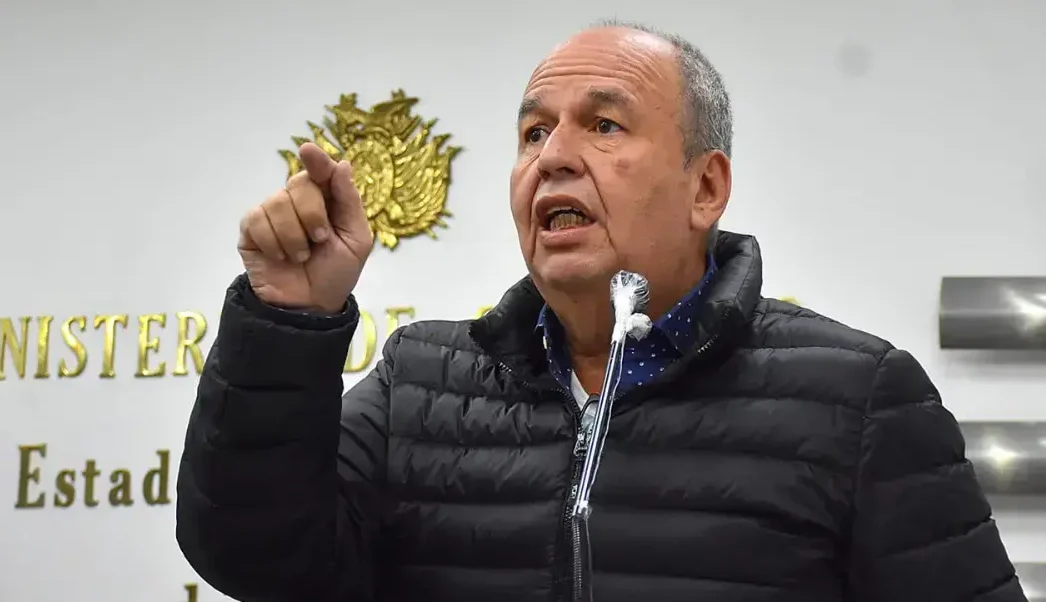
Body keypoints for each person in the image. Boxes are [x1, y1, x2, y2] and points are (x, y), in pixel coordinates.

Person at [175, 21, 1027, 602]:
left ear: (705, 188)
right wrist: (288, 321)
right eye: (532, 134)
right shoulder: (418, 385)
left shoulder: (857, 396)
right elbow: (256, 560)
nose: (553, 157)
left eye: (605, 127)